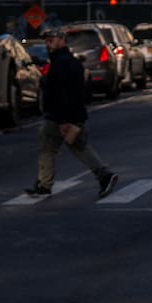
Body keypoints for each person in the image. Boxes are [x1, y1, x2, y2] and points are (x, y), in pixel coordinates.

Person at [24, 27, 118, 198]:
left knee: (60, 147)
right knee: (62, 146)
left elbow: (64, 94)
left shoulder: (63, 63)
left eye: (51, 39)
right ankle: (45, 183)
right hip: (67, 115)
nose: (48, 43)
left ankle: (104, 175)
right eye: (46, 40)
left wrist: (64, 120)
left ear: (62, 40)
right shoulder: (65, 62)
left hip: (63, 116)